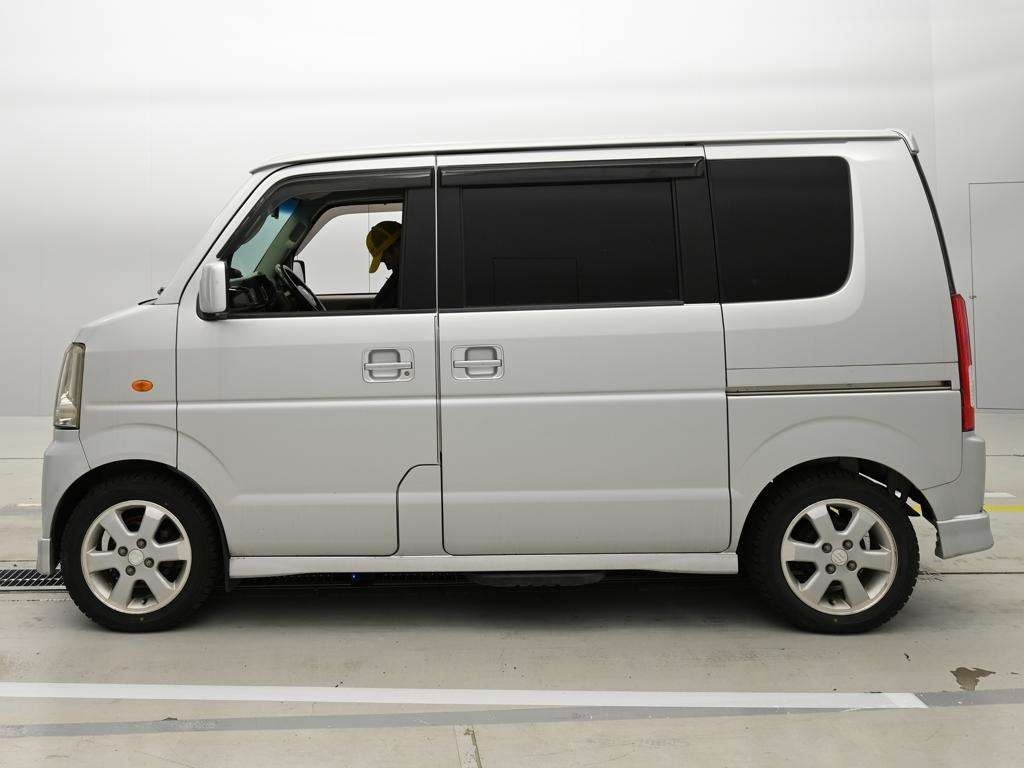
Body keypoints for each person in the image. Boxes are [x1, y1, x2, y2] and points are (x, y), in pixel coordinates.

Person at [365, 220, 402, 308]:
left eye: (385, 260)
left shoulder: (410, 277)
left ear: (395, 249)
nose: (388, 267)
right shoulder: (399, 274)